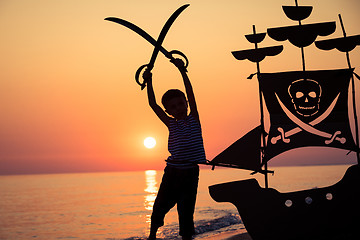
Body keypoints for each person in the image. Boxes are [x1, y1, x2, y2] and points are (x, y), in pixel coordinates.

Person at [143, 58, 207, 240]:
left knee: (186, 210)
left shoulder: (194, 118)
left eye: (180, 104)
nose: (178, 109)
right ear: (169, 111)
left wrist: (182, 70)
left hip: (191, 173)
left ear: (186, 103)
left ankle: (187, 237)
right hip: (172, 173)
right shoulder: (171, 123)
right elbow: (153, 104)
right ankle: (152, 236)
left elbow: (190, 92)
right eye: (173, 107)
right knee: (160, 205)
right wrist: (149, 80)